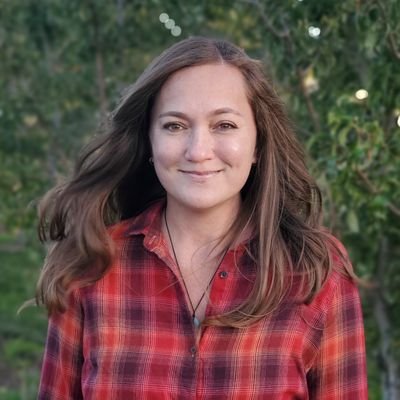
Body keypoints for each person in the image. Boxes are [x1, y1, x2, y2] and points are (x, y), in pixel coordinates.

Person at [36, 37, 367, 399]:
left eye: (224, 125)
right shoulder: (91, 263)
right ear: (149, 140)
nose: (198, 151)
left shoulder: (317, 270)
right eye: (175, 126)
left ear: (258, 143)